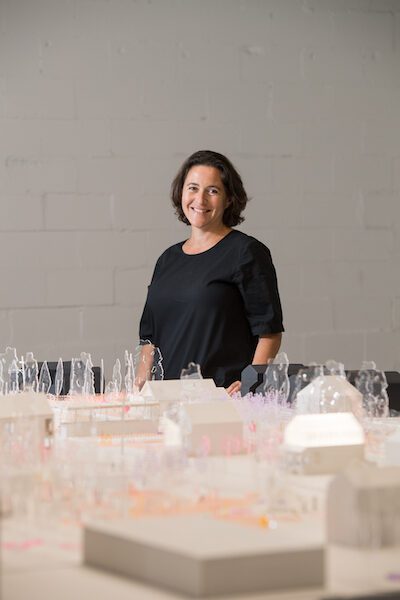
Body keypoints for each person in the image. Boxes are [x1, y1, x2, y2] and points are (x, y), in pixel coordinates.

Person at [139, 150, 284, 394]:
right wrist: (141, 390)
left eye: (213, 190)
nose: (201, 199)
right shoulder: (167, 259)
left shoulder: (246, 252)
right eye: (193, 188)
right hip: (166, 399)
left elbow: (269, 333)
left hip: (221, 398)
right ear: (181, 193)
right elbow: (149, 340)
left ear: (228, 199)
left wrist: (250, 385)